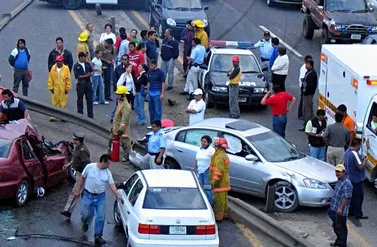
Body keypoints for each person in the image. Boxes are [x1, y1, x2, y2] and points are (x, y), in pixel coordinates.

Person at [74, 154, 122, 245]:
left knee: (100, 216)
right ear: (102, 162)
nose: (108, 166)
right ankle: (85, 222)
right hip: (88, 196)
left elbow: (112, 184)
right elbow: (82, 178)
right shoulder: (89, 167)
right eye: (107, 164)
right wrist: (77, 190)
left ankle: (98, 236)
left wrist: (117, 194)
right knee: (86, 214)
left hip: (100, 197)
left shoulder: (107, 172)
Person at [60, 132, 90, 219]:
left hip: (81, 174)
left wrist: (82, 178)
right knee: (78, 193)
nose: (72, 140)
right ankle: (68, 210)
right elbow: (75, 158)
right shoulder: (77, 147)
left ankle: (68, 211)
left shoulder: (83, 151)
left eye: (74, 139)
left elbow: (86, 164)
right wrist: (68, 164)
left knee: (76, 192)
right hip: (78, 172)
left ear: (78, 140)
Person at [328, 164, 352, 247]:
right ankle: (338, 242)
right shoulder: (340, 180)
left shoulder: (346, 183)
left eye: (339, 172)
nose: (337, 173)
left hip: (340, 211)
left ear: (344, 172)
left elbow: (346, 197)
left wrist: (340, 208)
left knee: (340, 228)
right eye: (336, 171)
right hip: (334, 208)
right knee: (336, 227)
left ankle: (342, 244)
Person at [344, 139, 368, 220]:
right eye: (359, 145)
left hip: (349, 178)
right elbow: (360, 166)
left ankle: (350, 212)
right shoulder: (354, 153)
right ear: (357, 145)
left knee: (351, 197)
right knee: (358, 197)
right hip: (356, 179)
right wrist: (365, 161)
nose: (360, 147)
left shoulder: (347, 152)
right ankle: (358, 214)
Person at [210, 137, 230, 221]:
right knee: (223, 199)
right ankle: (224, 214)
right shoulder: (220, 154)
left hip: (220, 182)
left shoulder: (220, 156)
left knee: (219, 200)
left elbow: (219, 171)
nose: (214, 146)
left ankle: (218, 217)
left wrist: (213, 181)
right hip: (224, 181)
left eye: (215, 144)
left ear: (219, 146)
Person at [47, 55, 71, 122]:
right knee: (54, 103)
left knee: (63, 103)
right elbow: (50, 78)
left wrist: (67, 88)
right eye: (57, 61)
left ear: (62, 61)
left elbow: (68, 79)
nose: (58, 63)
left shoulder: (66, 68)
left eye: (59, 61)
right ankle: (53, 117)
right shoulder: (53, 68)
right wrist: (51, 87)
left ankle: (63, 117)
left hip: (63, 88)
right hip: (55, 88)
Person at [112, 86, 132, 162]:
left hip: (122, 129)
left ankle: (127, 156)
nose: (117, 95)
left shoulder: (126, 106)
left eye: (119, 94)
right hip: (117, 127)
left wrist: (120, 130)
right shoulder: (121, 102)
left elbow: (124, 120)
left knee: (125, 142)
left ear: (123, 95)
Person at [194, 135, 215, 206]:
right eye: (202, 141)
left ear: (208, 143)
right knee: (200, 188)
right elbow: (196, 160)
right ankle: (203, 203)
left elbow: (214, 161)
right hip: (200, 171)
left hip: (207, 171)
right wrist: (194, 169)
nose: (203, 143)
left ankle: (210, 204)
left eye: (205, 142)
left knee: (208, 189)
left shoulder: (211, 150)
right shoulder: (200, 149)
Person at [74, 52, 93, 118]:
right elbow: (77, 76)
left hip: (88, 83)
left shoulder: (87, 64)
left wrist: (91, 73)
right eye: (84, 57)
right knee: (80, 99)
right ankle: (80, 114)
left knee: (90, 99)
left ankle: (90, 115)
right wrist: (86, 75)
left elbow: (91, 71)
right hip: (81, 84)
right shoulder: (76, 66)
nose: (85, 58)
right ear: (80, 57)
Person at [300, 59, 318, 131]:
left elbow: (310, 86)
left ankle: (307, 125)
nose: (306, 66)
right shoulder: (309, 72)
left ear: (311, 65)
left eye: (307, 64)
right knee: (307, 109)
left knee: (307, 110)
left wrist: (305, 91)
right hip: (307, 94)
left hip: (308, 94)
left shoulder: (312, 74)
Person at [111, 54, 129, 123]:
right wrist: (116, 89)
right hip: (119, 90)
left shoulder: (129, 68)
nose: (124, 61)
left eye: (125, 59)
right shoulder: (118, 68)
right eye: (123, 59)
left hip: (127, 90)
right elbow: (115, 79)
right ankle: (112, 117)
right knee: (117, 104)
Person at [147, 59, 165, 124]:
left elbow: (163, 83)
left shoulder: (160, 72)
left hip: (157, 94)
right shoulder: (150, 72)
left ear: (155, 65)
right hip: (150, 94)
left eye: (151, 65)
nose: (150, 66)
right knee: (151, 109)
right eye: (150, 65)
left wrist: (162, 94)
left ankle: (157, 124)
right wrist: (147, 92)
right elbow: (149, 82)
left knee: (157, 110)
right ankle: (152, 123)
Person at [298, 55, 312, 120]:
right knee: (302, 101)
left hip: (305, 87)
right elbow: (302, 78)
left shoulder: (309, 69)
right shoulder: (304, 68)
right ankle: (300, 114)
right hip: (303, 87)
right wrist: (303, 87)